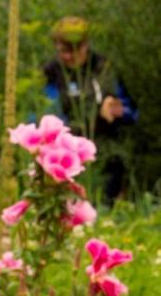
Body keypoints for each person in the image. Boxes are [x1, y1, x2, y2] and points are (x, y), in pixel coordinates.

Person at [43, 16, 138, 202]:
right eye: (64, 50)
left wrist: (119, 111)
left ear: (86, 44)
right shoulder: (51, 73)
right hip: (65, 160)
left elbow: (132, 112)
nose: (70, 56)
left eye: (76, 49)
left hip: (104, 158)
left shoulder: (103, 69)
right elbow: (43, 116)